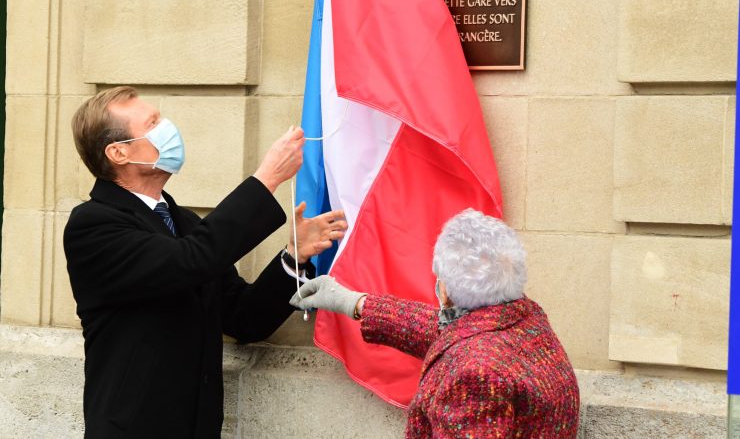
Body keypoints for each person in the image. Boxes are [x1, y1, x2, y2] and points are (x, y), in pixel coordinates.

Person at [63, 86, 347, 438]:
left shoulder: (185, 223)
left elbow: (244, 318)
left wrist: (294, 257)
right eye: (153, 123)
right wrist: (267, 179)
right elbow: (190, 261)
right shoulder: (93, 225)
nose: (167, 128)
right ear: (119, 152)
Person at [291, 209, 580, 438]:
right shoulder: (525, 320)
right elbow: (453, 333)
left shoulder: (474, 374)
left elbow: (469, 353)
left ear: (446, 291)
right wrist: (356, 303)